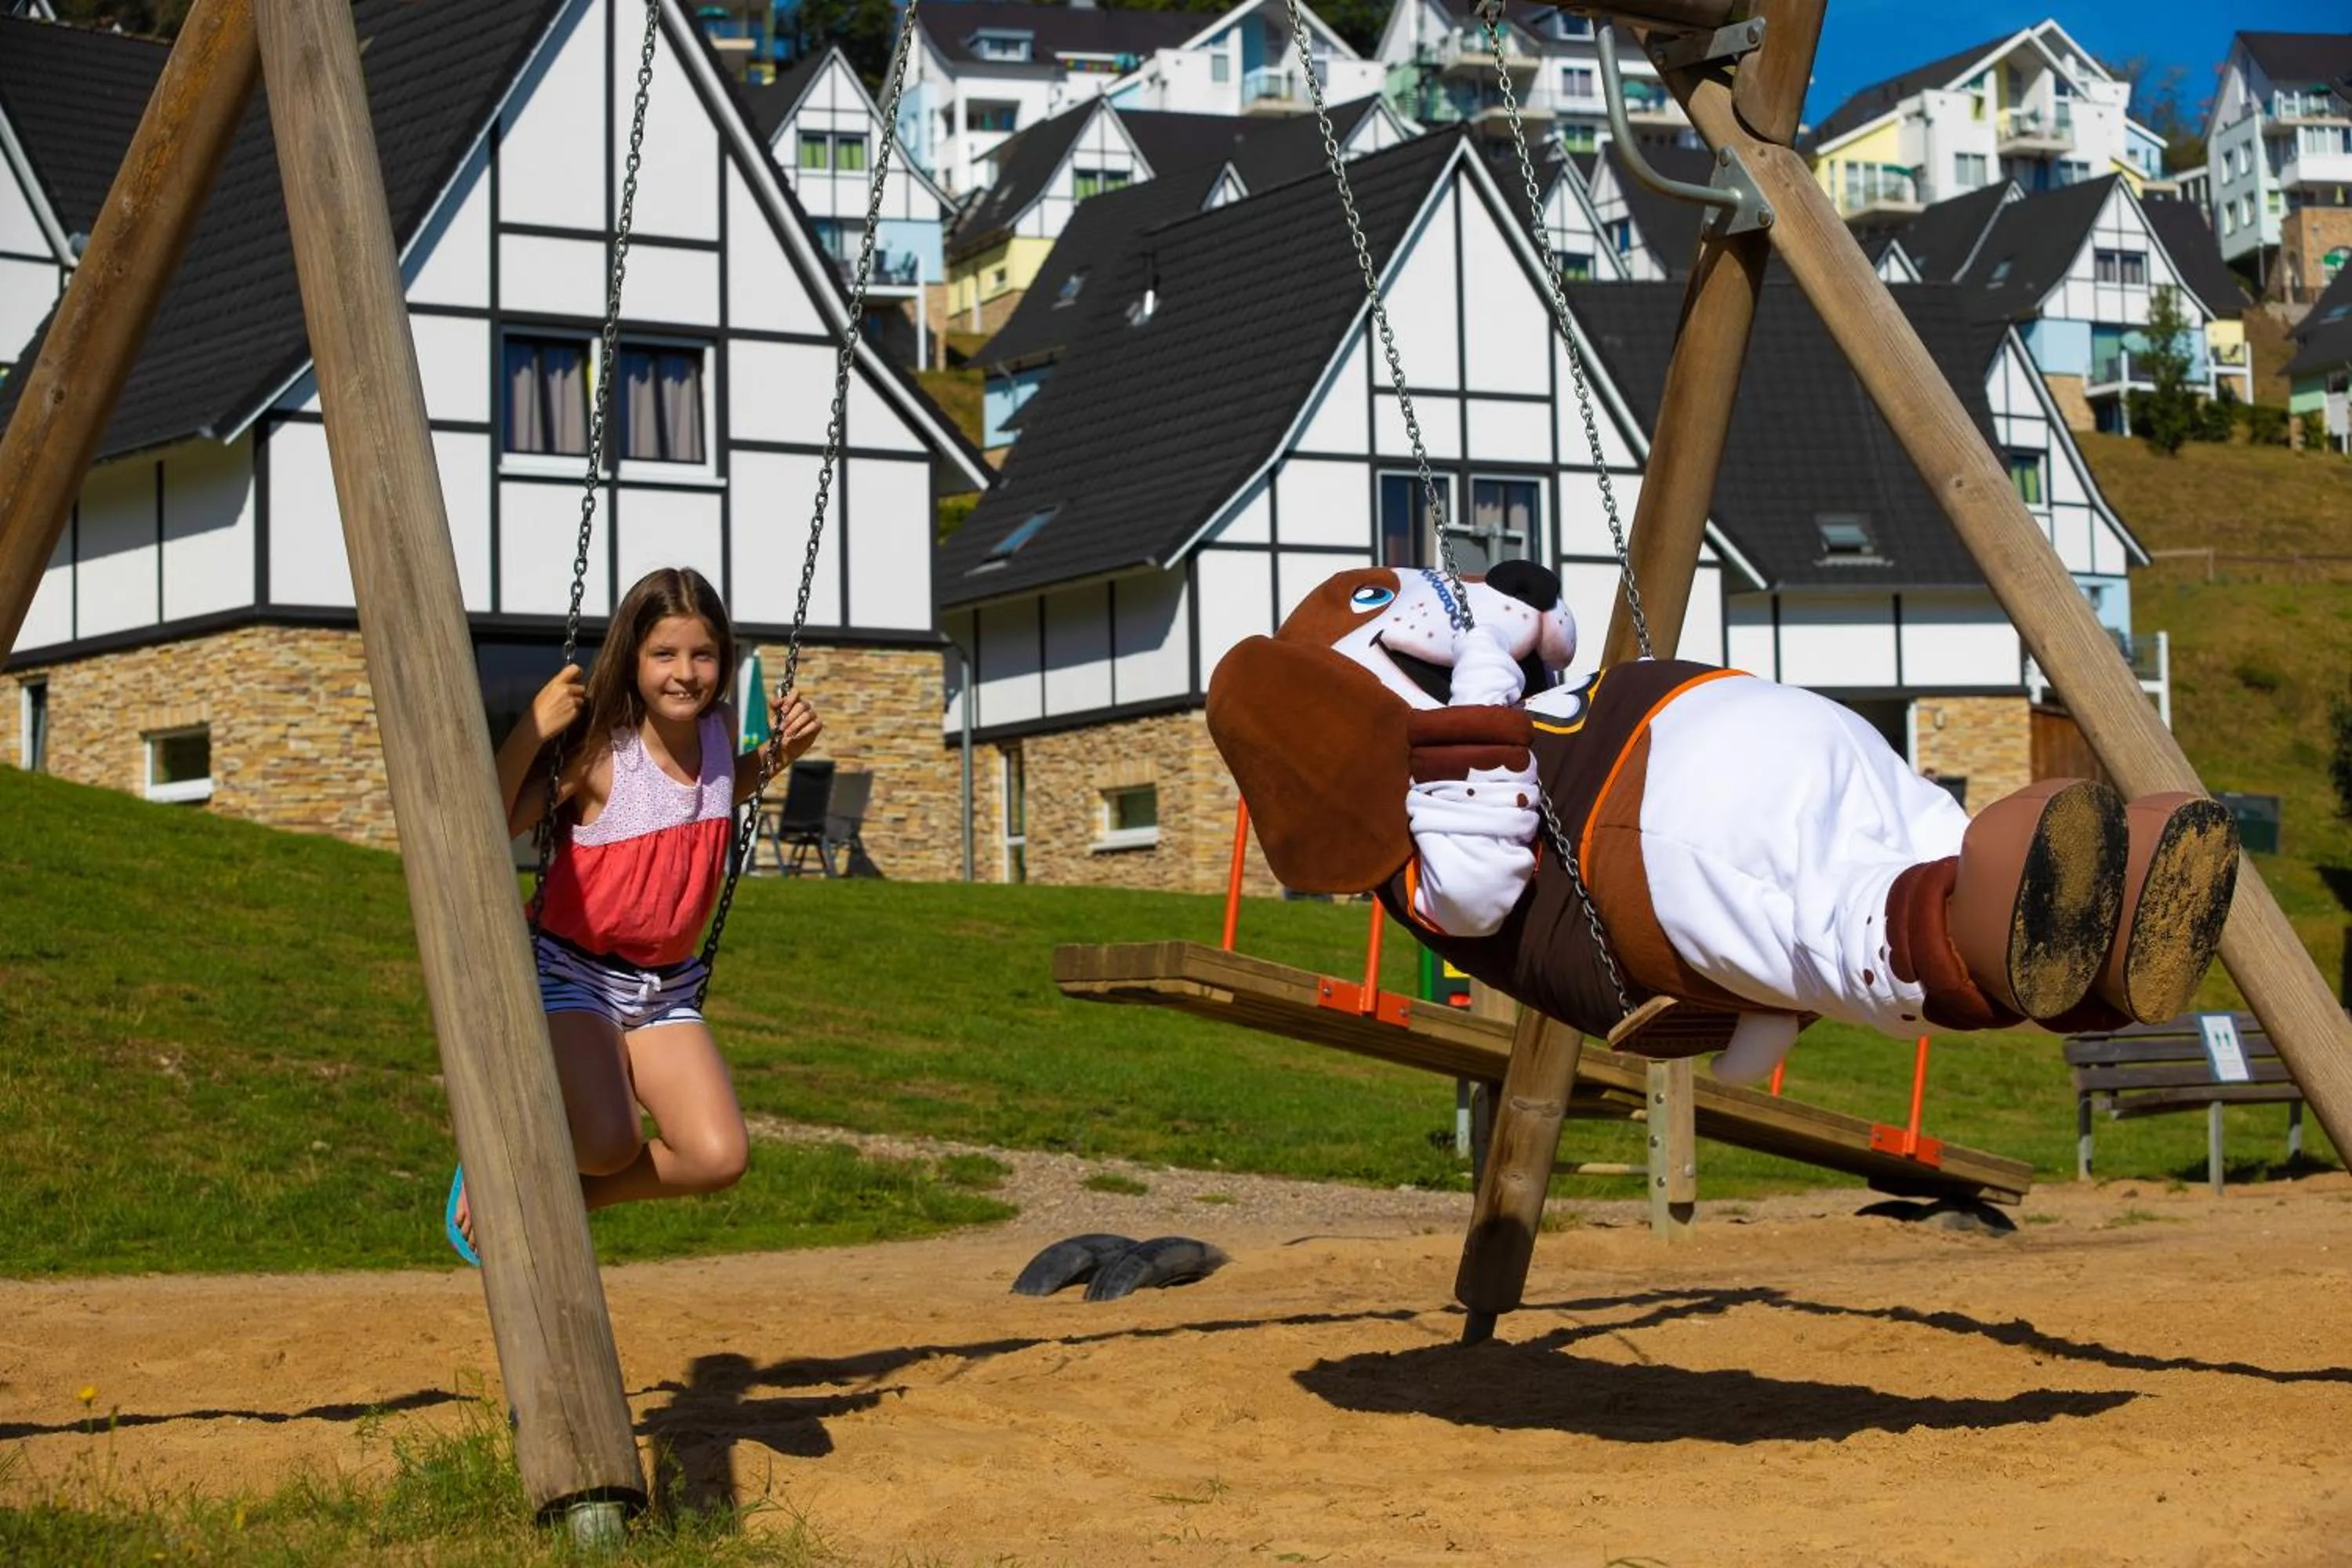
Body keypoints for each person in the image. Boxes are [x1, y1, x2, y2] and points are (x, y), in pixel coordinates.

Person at [445, 566, 822, 1264]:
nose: (686, 673)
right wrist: (529, 732)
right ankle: (497, 1155)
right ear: (633, 658)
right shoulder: (601, 753)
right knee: (609, 1142)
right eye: (665, 655)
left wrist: (776, 757)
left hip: (663, 988)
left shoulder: (712, 739)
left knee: (718, 1155)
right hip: (571, 973)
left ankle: (553, 1194)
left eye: (703, 655)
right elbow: (487, 823)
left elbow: (717, 792)